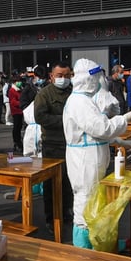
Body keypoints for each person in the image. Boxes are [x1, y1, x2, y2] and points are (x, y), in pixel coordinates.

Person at [63, 59, 131, 248]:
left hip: (90, 157)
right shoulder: (79, 101)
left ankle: (96, 242)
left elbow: (92, 133)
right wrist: (125, 119)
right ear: (90, 78)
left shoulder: (85, 100)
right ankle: (83, 248)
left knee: (93, 201)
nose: (100, 81)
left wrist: (118, 141)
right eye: (97, 77)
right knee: (85, 202)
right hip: (84, 161)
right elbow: (101, 128)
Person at [35, 62, 75, 223]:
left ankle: (66, 212)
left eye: (66, 76)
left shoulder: (74, 93)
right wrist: (66, 121)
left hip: (71, 144)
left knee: (69, 183)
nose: (63, 79)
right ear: (51, 76)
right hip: (52, 144)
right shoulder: (45, 94)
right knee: (52, 184)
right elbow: (41, 117)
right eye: (59, 76)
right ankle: (51, 217)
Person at [7, 73, 25, 153]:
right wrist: (21, 103)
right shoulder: (12, 90)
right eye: (18, 81)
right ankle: (16, 142)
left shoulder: (20, 89)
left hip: (21, 110)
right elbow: (13, 102)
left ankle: (18, 141)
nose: (19, 82)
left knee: (19, 126)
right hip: (16, 111)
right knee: (16, 127)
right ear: (14, 82)